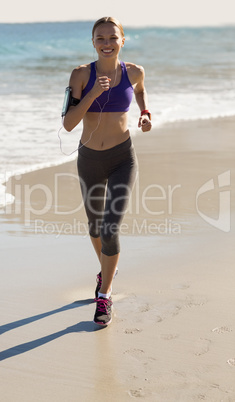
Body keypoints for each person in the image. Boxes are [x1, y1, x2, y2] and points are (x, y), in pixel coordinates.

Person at [63, 16, 152, 326]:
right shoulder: (80, 74)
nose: (106, 43)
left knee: (110, 228)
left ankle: (105, 295)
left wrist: (144, 113)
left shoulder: (135, 72)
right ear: (93, 43)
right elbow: (68, 123)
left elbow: (140, 91)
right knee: (94, 227)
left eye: (112, 37)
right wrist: (92, 94)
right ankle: (106, 268)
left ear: (122, 41)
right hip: (89, 159)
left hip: (122, 159)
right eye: (100, 38)